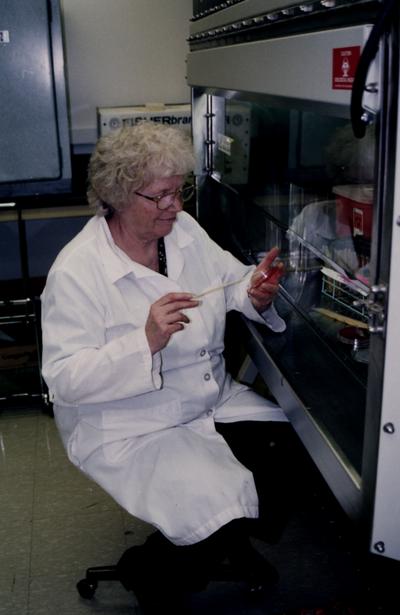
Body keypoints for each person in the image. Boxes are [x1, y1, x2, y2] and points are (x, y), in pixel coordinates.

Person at [41, 122, 293, 613]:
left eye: (179, 191)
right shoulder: (77, 271)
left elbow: (229, 280)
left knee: (290, 460)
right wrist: (145, 341)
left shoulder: (183, 232)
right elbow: (64, 379)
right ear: (115, 195)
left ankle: (200, 544)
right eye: (159, 197)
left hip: (207, 398)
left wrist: (253, 291)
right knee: (213, 505)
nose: (175, 207)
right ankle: (156, 572)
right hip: (128, 423)